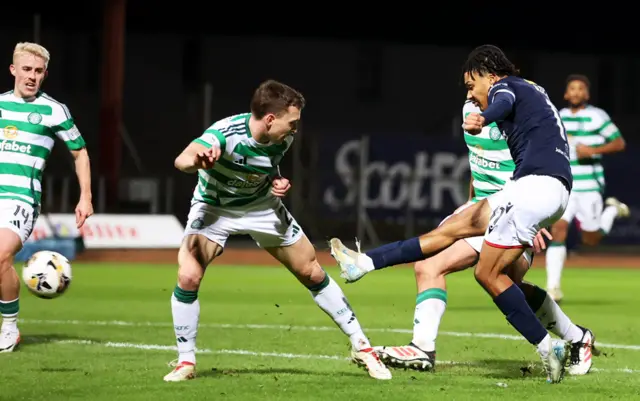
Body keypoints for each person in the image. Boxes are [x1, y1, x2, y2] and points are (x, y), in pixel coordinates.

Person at [330, 45, 579, 383]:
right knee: (446, 246)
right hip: (534, 192)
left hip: (532, 191)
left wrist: (484, 117)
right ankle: (367, 267)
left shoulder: (504, 89)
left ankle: (555, 346)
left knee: (490, 276)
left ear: (489, 75)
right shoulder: (531, 92)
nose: (470, 92)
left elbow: (502, 101)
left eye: (471, 83)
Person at [163, 79, 391, 382]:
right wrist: (197, 161)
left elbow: (266, 166)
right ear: (270, 119)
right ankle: (186, 362)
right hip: (215, 208)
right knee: (188, 275)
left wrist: (276, 180)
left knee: (312, 272)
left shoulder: (283, 138)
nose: (295, 128)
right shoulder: (224, 136)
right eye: (292, 122)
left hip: (261, 207)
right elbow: (183, 159)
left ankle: (362, 346)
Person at [0, 42, 93, 353]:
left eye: (38, 71)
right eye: (27, 69)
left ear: (45, 75)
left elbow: (79, 153)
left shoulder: (54, 111)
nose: (32, 76)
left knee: (0, 256)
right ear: (13, 70)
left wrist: (85, 197)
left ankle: (9, 328)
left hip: (20, 200)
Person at [545, 74, 629, 302]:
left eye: (580, 89)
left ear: (587, 94)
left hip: (590, 186)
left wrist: (592, 151)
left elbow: (619, 143)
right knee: (558, 231)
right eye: (572, 88)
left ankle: (611, 211)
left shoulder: (596, 116)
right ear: (565, 94)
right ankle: (553, 288)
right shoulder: (558, 117)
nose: (575, 92)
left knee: (591, 239)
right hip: (566, 185)